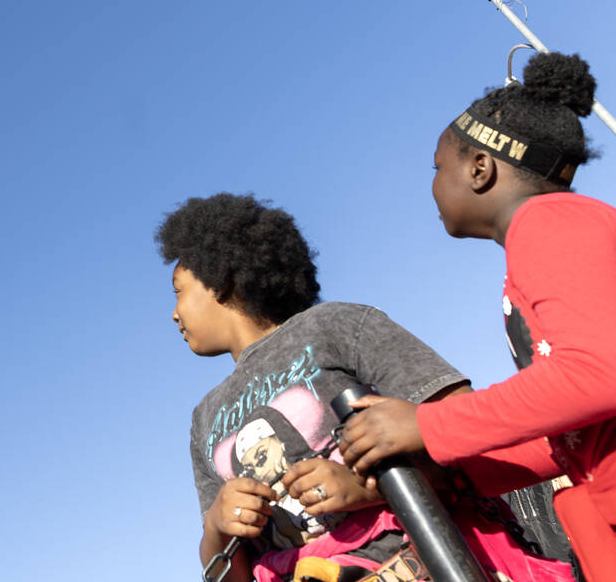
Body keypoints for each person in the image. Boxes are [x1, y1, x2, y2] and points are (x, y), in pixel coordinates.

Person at [339, 51, 616, 581]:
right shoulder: (552, 232)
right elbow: (568, 434)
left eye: (438, 166)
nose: (432, 184)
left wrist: (427, 422)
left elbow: (596, 377)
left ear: (480, 168)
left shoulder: (549, 224)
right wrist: (449, 469)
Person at [157, 193, 571, 582]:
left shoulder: (336, 326)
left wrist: (368, 487)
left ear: (220, 280)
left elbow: (475, 431)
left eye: (179, 292)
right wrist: (216, 526)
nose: (174, 314)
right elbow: (225, 568)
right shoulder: (203, 419)